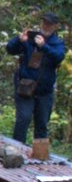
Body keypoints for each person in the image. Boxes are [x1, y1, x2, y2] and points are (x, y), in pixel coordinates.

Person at [6, 12, 65, 160]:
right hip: (25, 87)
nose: (45, 26)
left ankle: (39, 158)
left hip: (45, 91)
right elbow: (10, 49)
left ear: (55, 27)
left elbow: (59, 57)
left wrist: (44, 46)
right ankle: (14, 154)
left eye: (49, 24)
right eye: (44, 23)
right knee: (23, 119)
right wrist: (19, 40)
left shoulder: (57, 43)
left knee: (42, 124)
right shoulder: (30, 38)